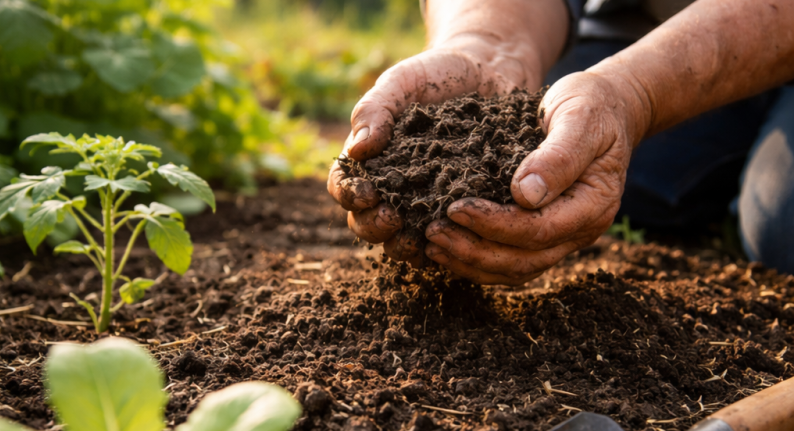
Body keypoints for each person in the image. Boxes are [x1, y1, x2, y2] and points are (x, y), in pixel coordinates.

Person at [327, 0, 794, 284]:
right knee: (561, 121)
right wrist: (487, 44)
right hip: (664, 20)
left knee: (783, 224)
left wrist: (636, 92)